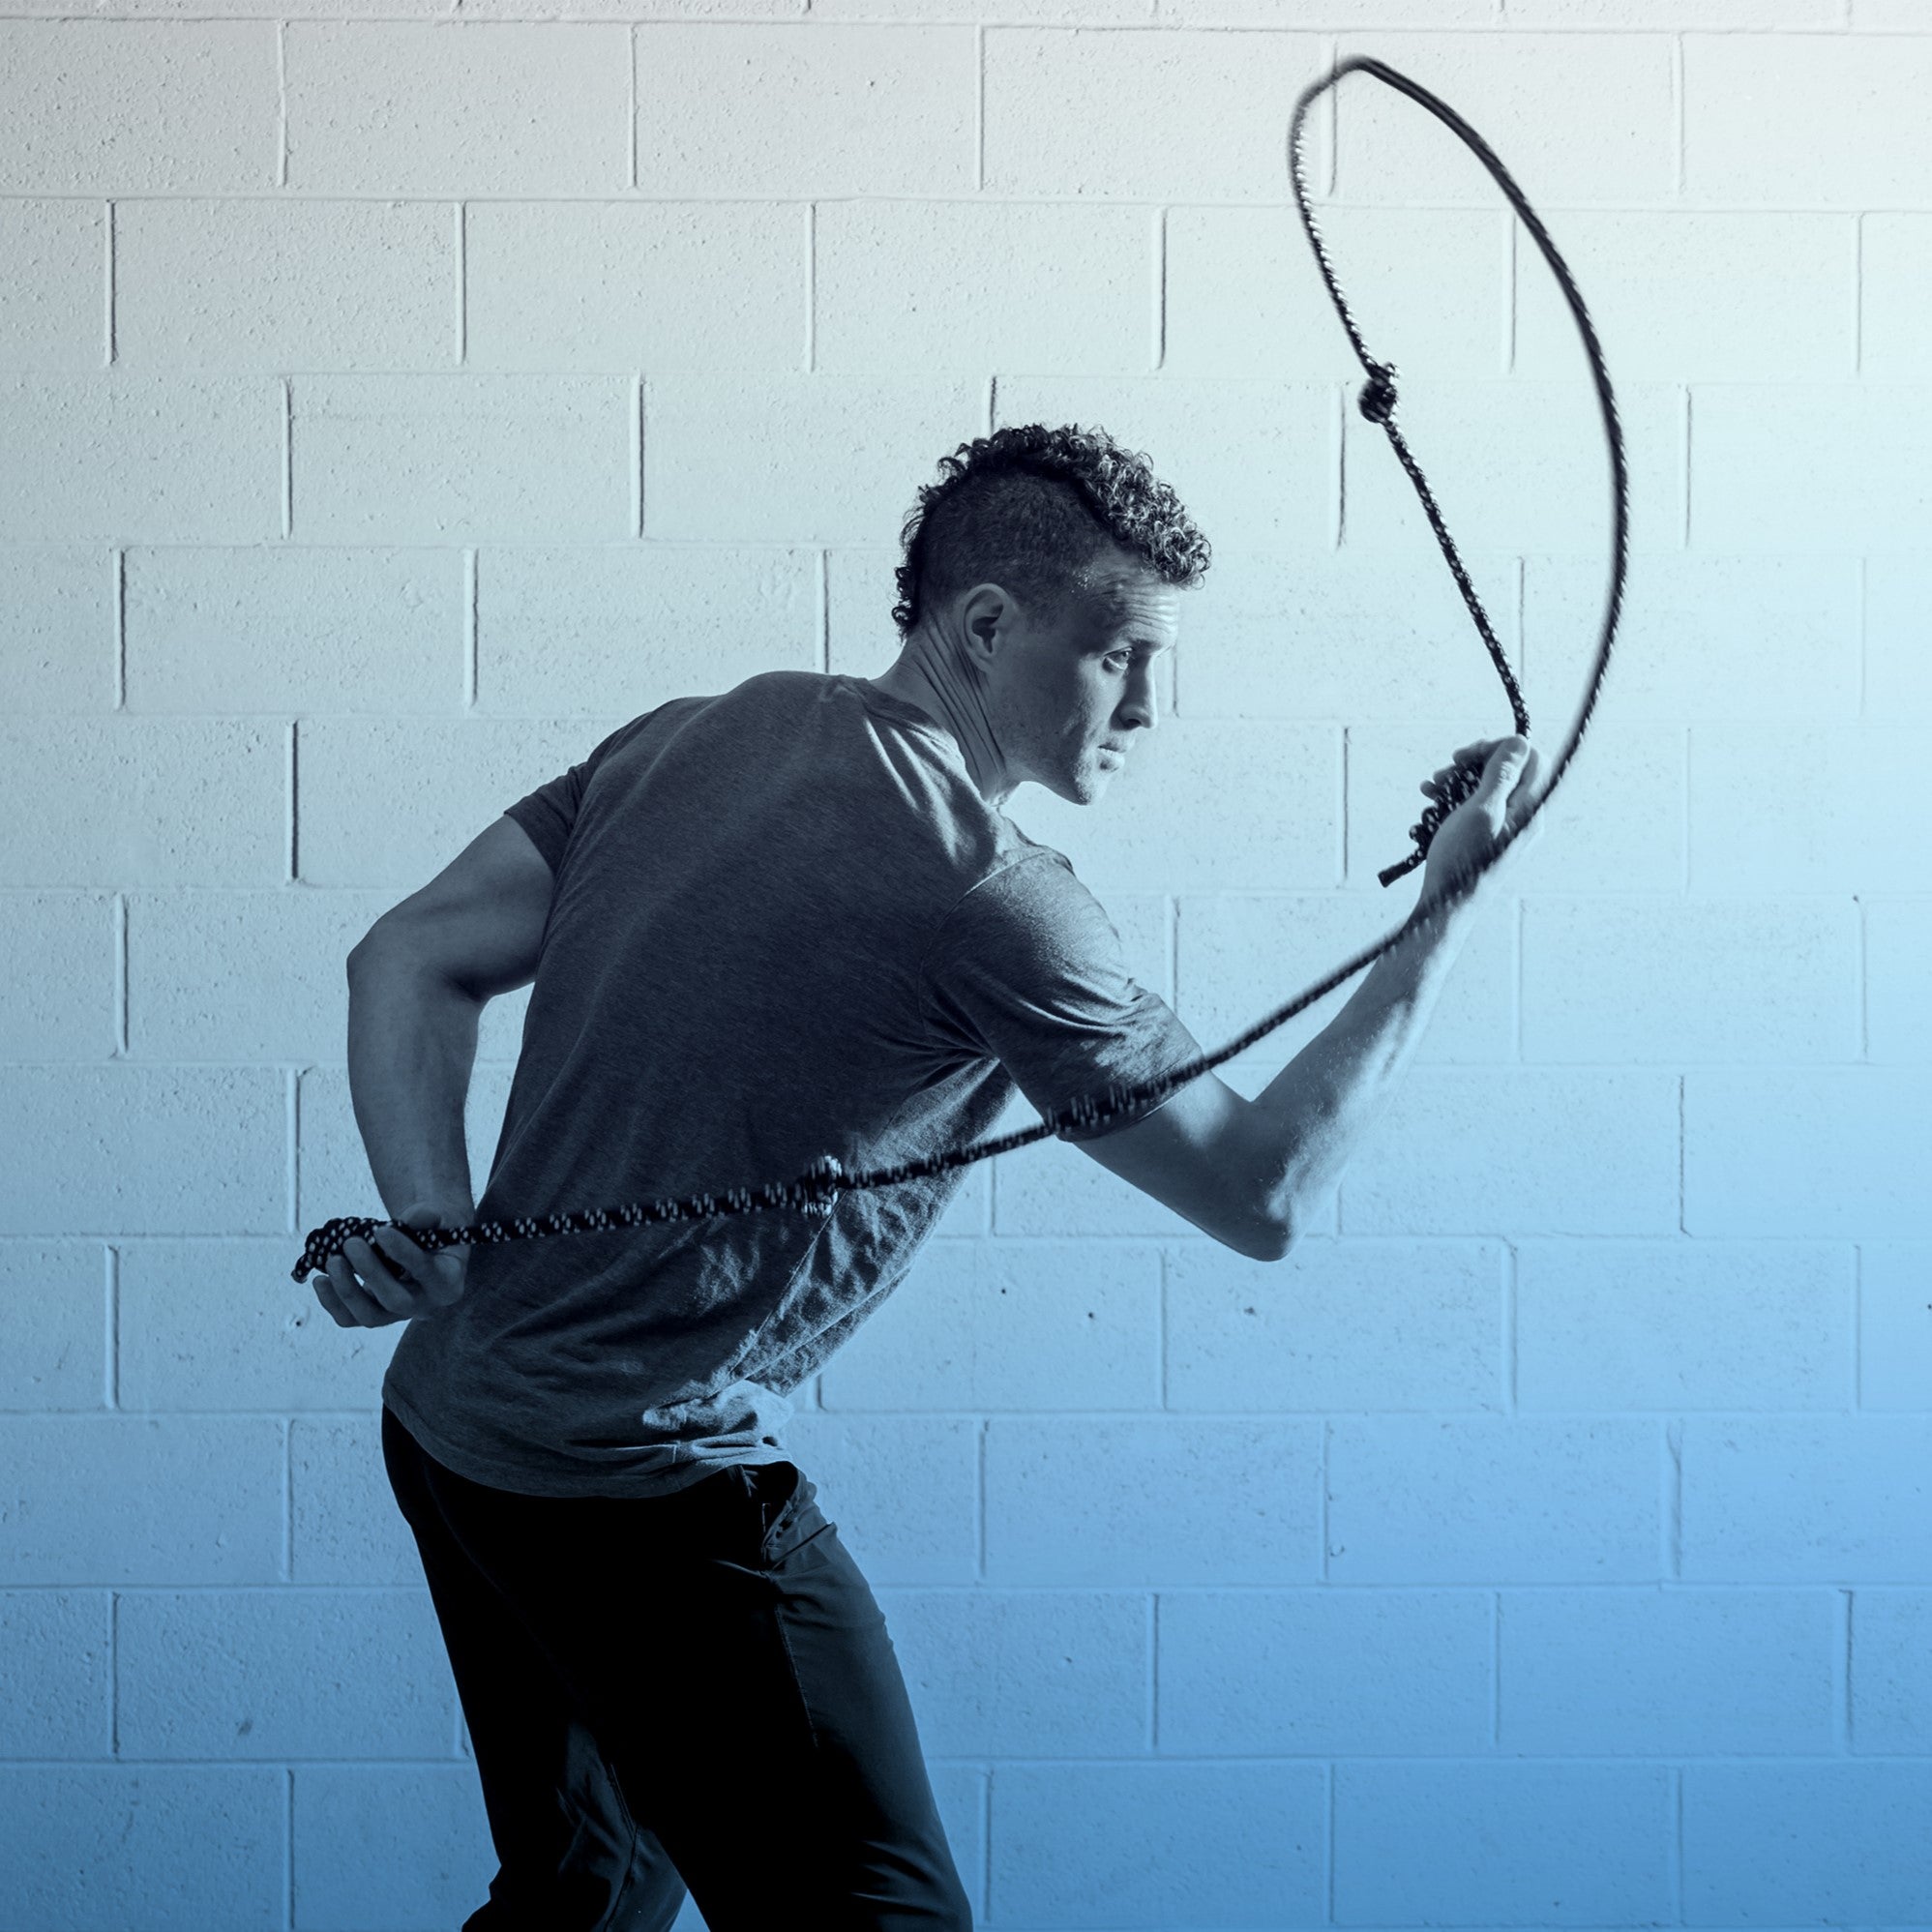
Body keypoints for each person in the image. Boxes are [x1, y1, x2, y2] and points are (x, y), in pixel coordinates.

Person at [312, 422, 1543, 1930]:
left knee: (588, 1892)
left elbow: (408, 954)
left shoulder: (700, 728)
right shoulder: (994, 898)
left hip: (454, 1436)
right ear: (986, 625)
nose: (1147, 706)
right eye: (1117, 655)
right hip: (635, 1493)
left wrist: (435, 1223)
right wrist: (1442, 914)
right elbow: (1259, 1189)